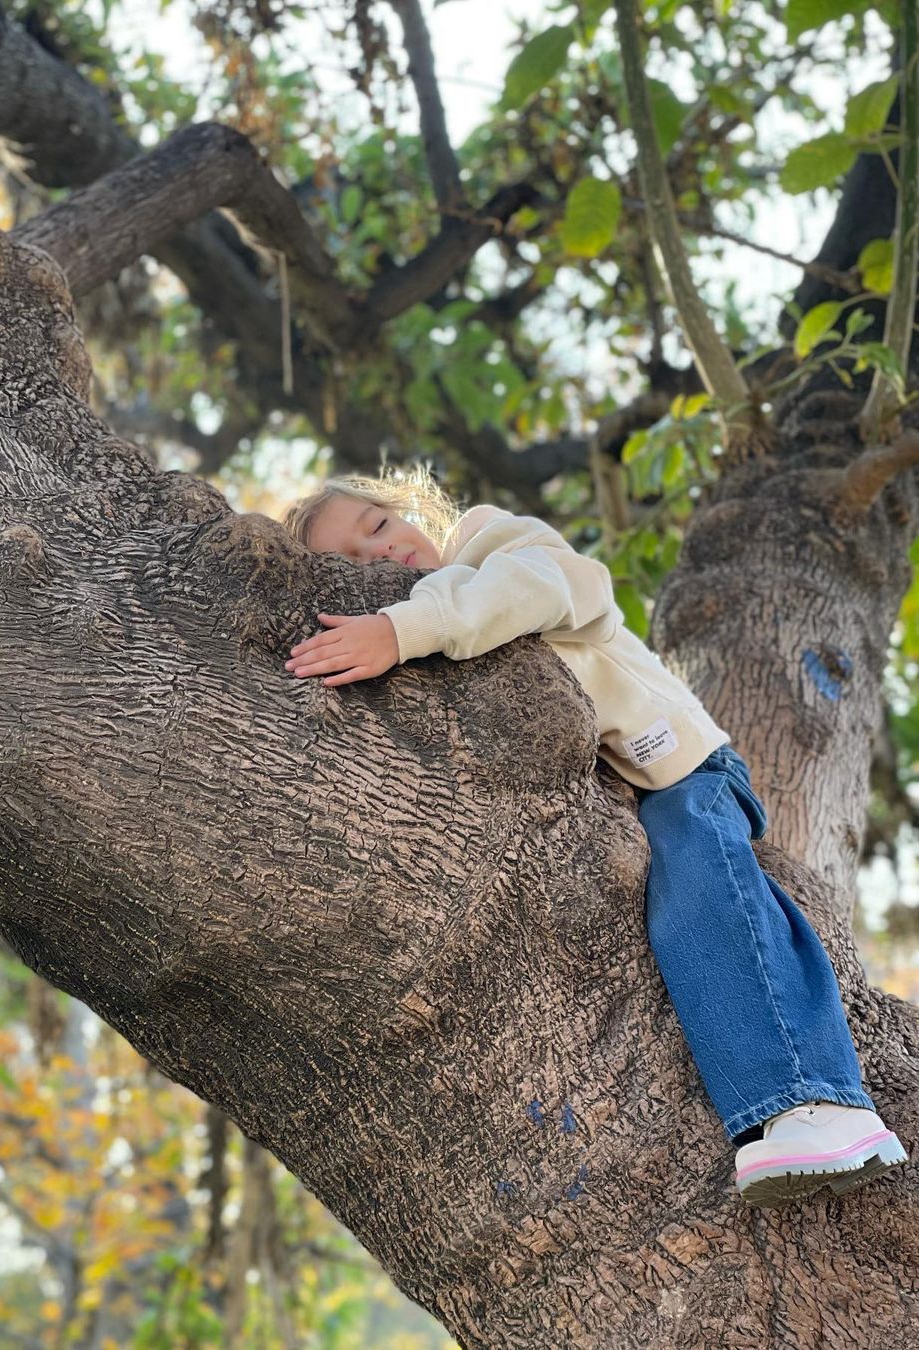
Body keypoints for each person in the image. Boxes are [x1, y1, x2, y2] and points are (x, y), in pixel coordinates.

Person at [281, 471, 907, 1207]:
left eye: (378, 527)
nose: (381, 555)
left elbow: (548, 587)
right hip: (626, 804)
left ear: (409, 511)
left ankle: (819, 1101)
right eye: (353, 563)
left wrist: (399, 630)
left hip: (683, 772)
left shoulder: (488, 545)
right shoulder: (444, 643)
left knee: (704, 891)